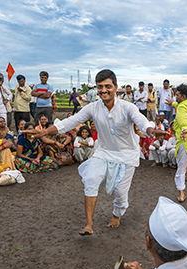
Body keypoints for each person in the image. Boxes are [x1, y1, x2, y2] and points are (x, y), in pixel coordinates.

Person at [24, 69, 164, 235]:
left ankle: (116, 215)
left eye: (107, 86)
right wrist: (45, 132)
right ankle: (88, 224)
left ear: (115, 87)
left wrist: (151, 130)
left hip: (127, 155)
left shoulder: (128, 107)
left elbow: (141, 121)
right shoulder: (93, 108)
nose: (103, 90)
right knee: (90, 178)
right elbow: (71, 121)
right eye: (100, 87)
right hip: (103, 152)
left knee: (120, 192)